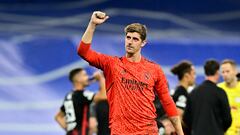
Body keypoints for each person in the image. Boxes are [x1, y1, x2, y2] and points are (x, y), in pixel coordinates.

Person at [77, 11, 184, 135]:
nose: (130, 42)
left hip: (148, 131)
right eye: (128, 37)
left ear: (143, 43)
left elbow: (167, 102)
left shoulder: (154, 69)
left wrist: (180, 133)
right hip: (121, 131)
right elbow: (83, 52)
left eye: (135, 39)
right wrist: (92, 24)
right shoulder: (112, 64)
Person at [184, 60, 232, 135]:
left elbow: (186, 118)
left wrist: (196, 128)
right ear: (217, 73)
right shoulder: (220, 93)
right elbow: (227, 119)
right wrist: (220, 129)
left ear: (205, 72)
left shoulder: (193, 93)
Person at [55, 68, 107, 135]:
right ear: (78, 79)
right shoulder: (83, 94)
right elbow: (104, 96)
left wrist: (69, 130)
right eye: (85, 75)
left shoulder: (69, 96)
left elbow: (58, 117)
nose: (88, 77)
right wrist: (100, 78)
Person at [171, 60, 196, 134]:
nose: (194, 77)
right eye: (193, 74)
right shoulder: (182, 94)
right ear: (186, 76)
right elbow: (178, 117)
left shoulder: (178, 91)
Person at [218, 59, 240, 135]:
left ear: (235, 71)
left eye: (227, 71)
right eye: (223, 72)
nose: (225, 74)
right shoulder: (218, 89)